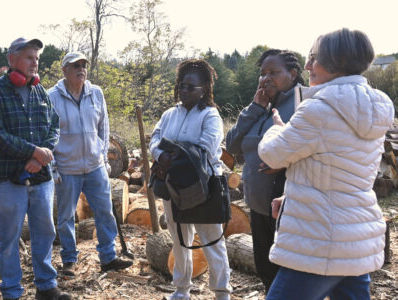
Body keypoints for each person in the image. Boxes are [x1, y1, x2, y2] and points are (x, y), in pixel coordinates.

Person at [258, 28, 393, 300]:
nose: (307, 65)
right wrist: (292, 196)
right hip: (356, 243)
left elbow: (271, 154)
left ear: (335, 62)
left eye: (313, 57)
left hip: (318, 244)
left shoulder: (318, 109)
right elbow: (342, 171)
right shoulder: (377, 108)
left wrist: (276, 129)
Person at [0, 37, 70, 300]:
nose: (35, 63)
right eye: (29, 57)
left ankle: (46, 286)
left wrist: (44, 154)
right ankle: (11, 291)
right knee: (9, 238)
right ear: (12, 59)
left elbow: (53, 125)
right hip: (9, 180)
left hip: (41, 177)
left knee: (45, 232)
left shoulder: (39, 90)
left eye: (37, 59)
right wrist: (33, 152)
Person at [149, 59, 232, 300]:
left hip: (204, 188)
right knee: (180, 240)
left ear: (204, 88)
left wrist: (170, 157)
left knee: (212, 242)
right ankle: (182, 290)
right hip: (172, 187)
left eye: (191, 87)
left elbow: (205, 147)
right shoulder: (169, 114)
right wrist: (160, 154)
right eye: (182, 86)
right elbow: (155, 137)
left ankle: (222, 292)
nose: (184, 91)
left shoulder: (210, 115)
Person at [48, 52, 133, 277]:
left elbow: (104, 128)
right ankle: (69, 260)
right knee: (66, 216)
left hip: (95, 167)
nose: (81, 69)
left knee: (105, 212)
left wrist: (103, 157)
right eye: (76, 65)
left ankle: (108, 257)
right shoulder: (51, 97)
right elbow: (47, 133)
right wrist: (54, 165)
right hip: (67, 168)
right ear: (64, 70)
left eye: (84, 65)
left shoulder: (96, 93)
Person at [225, 49, 304, 292]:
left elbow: (312, 149)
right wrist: (255, 107)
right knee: (265, 267)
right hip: (259, 204)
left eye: (274, 72)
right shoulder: (261, 107)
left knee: (290, 274)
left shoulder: (304, 105)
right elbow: (232, 144)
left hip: (289, 204)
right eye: (262, 74)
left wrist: (284, 160)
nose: (266, 78)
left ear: (292, 73)